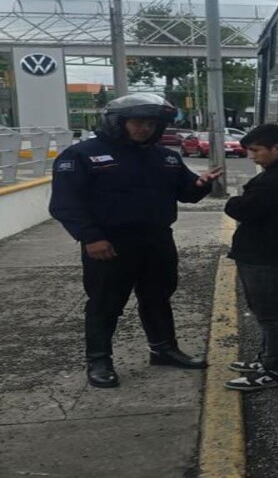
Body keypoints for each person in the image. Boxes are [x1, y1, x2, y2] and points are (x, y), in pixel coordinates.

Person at [49, 93, 224, 388]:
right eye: (137, 122)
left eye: (151, 123)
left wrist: (201, 184)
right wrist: (91, 237)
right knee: (105, 303)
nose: (144, 128)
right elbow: (65, 204)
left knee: (157, 297)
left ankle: (163, 349)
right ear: (118, 122)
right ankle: (99, 360)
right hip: (109, 244)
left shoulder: (165, 156)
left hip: (157, 240)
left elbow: (186, 193)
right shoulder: (82, 155)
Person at [222, 124, 278, 392]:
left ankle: (274, 370)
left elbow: (242, 209)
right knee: (265, 312)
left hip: (266, 255)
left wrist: (233, 202)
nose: (252, 156)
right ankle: (266, 360)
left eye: (256, 150)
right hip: (263, 253)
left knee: (271, 314)